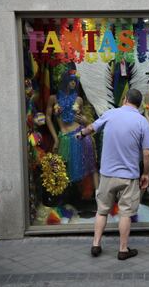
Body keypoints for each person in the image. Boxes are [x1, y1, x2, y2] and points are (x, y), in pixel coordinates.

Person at [77, 88, 149, 260]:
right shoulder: (142, 122)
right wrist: (146, 174)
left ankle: (96, 244)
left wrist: (81, 134)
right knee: (125, 213)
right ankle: (123, 249)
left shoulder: (110, 114)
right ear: (139, 104)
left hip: (107, 174)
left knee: (102, 211)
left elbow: (91, 127)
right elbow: (147, 154)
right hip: (129, 176)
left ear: (124, 99)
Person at [45, 69, 98, 200]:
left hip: (80, 135)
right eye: (71, 81)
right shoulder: (53, 98)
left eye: (76, 82)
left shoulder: (78, 99)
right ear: (65, 81)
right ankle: (63, 200)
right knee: (62, 169)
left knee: (90, 166)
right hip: (64, 138)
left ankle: (99, 200)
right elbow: (47, 117)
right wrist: (56, 139)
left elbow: (84, 119)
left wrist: (85, 121)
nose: (74, 84)